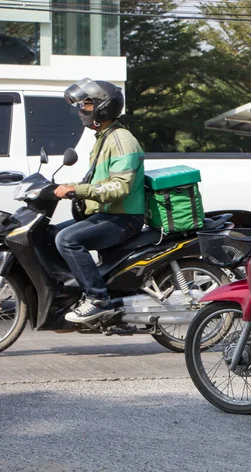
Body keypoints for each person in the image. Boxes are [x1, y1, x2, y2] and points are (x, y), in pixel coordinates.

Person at [54, 78, 145, 324]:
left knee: (67, 239)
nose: (81, 110)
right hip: (107, 214)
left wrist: (78, 190)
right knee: (48, 234)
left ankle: (98, 299)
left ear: (102, 107)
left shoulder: (121, 139)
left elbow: (120, 186)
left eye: (86, 104)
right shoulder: (104, 138)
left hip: (124, 217)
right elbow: (100, 180)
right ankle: (69, 294)